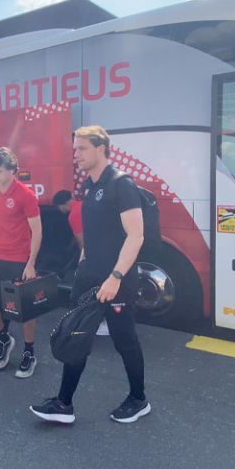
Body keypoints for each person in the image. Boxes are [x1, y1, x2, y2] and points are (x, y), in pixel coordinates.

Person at [30, 125, 150, 425]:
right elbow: (94, 235)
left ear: (101, 148)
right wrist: (83, 263)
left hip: (115, 281)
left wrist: (116, 276)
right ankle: (63, 404)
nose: (76, 154)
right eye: (75, 149)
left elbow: (136, 236)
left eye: (82, 148)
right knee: (76, 336)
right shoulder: (90, 186)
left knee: (125, 341)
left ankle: (138, 399)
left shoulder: (121, 184)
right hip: (90, 278)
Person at [0, 147, 42, 378]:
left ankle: (29, 352)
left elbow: (37, 231)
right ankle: (4, 338)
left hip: (19, 258)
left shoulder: (26, 195)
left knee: (24, 311)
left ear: (12, 171)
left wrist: (31, 263)